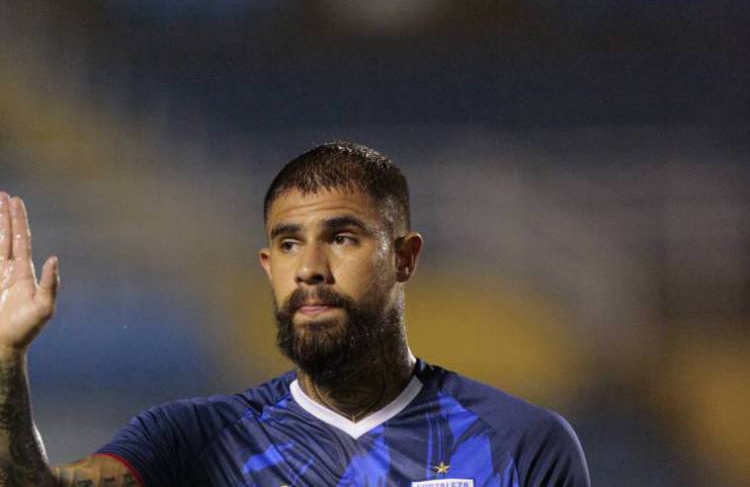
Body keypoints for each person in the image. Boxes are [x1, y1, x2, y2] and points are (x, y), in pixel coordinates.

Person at [0, 142, 590, 486]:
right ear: (267, 264)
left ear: (405, 258)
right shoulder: (193, 441)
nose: (309, 267)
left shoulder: (521, 444)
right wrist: (5, 358)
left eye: (342, 237)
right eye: (287, 244)